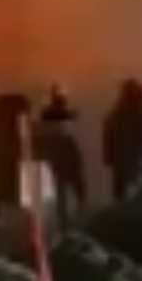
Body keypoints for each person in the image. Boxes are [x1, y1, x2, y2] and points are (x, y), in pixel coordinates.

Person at [35, 92, 86, 229]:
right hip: (62, 162)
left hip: (50, 163)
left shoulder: (42, 133)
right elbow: (74, 161)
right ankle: (64, 220)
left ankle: (55, 221)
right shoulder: (65, 137)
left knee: (57, 192)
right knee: (63, 192)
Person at [103, 79, 142, 201]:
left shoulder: (115, 114)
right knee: (132, 184)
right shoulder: (139, 111)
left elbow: (109, 136)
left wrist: (108, 156)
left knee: (123, 186)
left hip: (125, 156)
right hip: (134, 155)